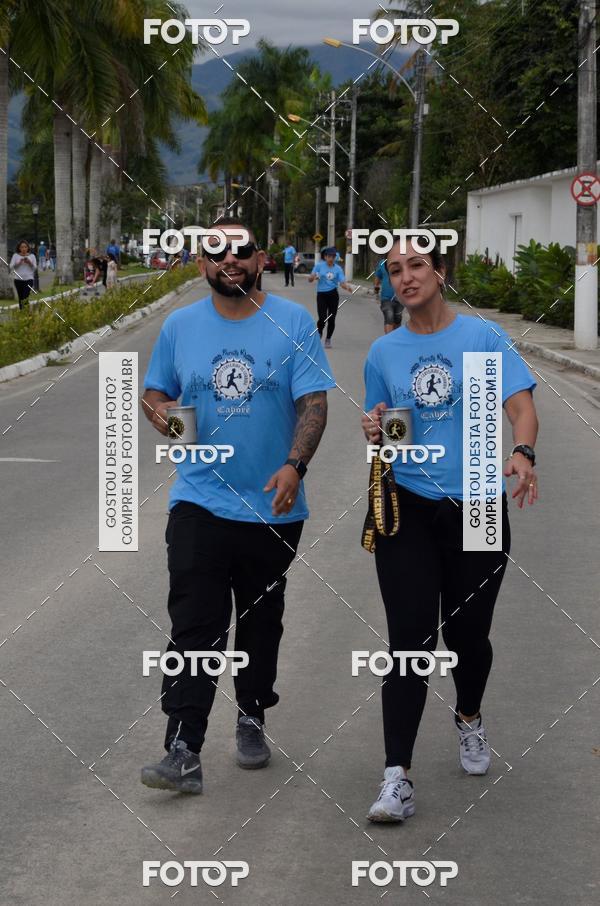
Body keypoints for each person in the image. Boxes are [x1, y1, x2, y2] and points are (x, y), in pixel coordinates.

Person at [140, 217, 335, 794]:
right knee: (194, 623)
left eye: (242, 250)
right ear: (202, 264)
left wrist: (295, 466)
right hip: (198, 499)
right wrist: (169, 422)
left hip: (273, 507)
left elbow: (315, 405)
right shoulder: (180, 327)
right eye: (217, 252)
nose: (231, 260)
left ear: (261, 258)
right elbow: (155, 394)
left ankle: (252, 715)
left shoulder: (294, 322)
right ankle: (183, 746)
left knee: (259, 623)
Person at [361, 237, 539, 823]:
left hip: (481, 505)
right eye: (393, 271)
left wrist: (521, 452)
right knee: (409, 640)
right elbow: (387, 425)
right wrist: (375, 427)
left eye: (416, 266)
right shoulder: (384, 352)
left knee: (468, 636)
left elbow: (520, 405)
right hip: (408, 505)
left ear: (439, 272)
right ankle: (397, 778)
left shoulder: (482, 338)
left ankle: (468, 716)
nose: (405, 277)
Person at [308, 246, 352, 349]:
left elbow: (342, 283)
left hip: (333, 295)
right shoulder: (319, 266)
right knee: (322, 318)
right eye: (329, 256)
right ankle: (319, 333)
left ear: (335, 257)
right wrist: (313, 277)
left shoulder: (338, 269)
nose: (331, 258)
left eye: (333, 256)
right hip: (321, 295)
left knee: (331, 319)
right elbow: (310, 279)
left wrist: (348, 287)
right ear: (325, 257)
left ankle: (328, 339)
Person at [374, 257, 403, 333]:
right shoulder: (383, 263)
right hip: (386, 297)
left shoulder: (402, 261)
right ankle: (389, 342)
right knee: (389, 316)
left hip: (400, 296)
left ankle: (396, 339)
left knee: (397, 319)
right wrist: (376, 292)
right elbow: (377, 277)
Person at [10, 240, 37, 309]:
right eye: (22, 247)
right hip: (18, 280)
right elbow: (11, 266)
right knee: (21, 297)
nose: (24, 249)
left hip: (29, 279)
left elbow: (35, 268)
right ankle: (22, 314)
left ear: (28, 248)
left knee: (25, 297)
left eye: (25, 247)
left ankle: (27, 314)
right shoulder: (15, 256)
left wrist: (29, 262)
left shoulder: (32, 256)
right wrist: (18, 263)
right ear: (19, 248)